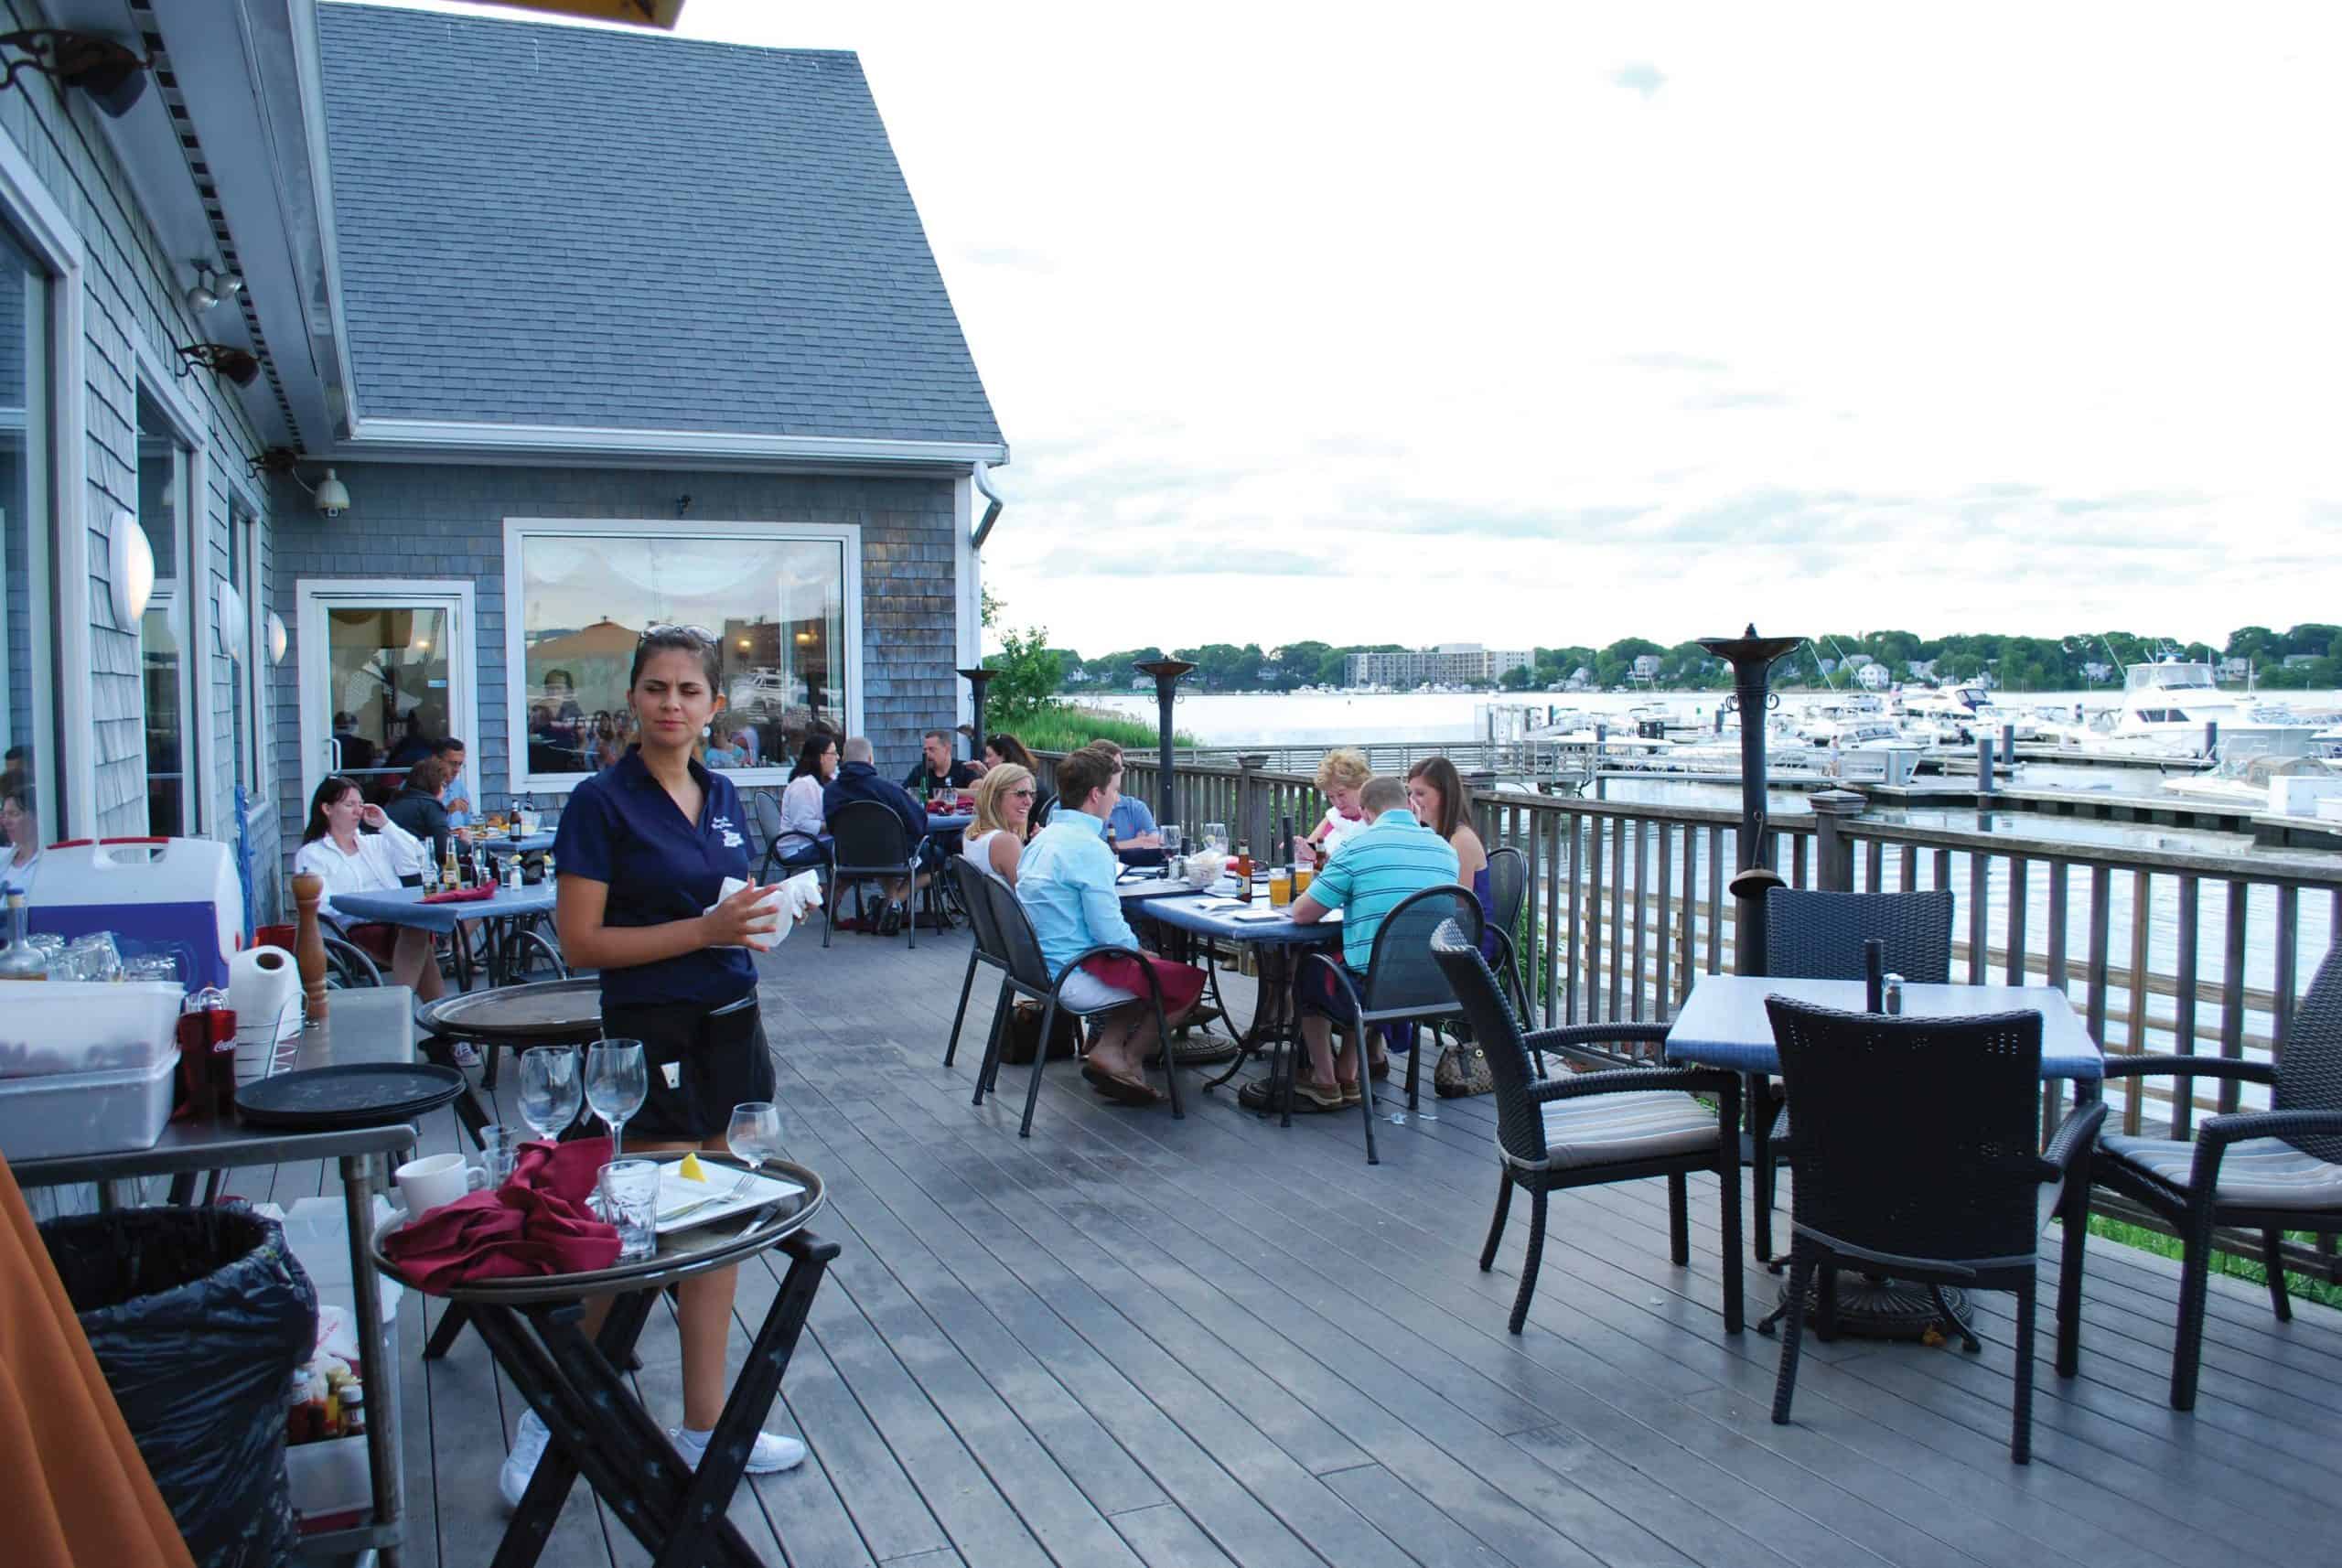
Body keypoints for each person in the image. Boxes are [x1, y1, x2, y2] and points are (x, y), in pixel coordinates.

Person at [527, 626, 801, 1507]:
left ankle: (706, 1422)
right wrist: (705, 931)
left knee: (715, 1219)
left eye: (690, 690)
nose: (673, 704)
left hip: (730, 1025)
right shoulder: (599, 804)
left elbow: (724, 907)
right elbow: (579, 943)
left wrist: (761, 917)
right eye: (656, 688)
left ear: (716, 706)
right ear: (634, 699)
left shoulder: (724, 794)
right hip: (647, 1037)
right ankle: (554, 1412)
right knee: (634, 1224)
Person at [1016, 746, 1204, 1103]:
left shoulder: (1041, 840)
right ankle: (1127, 1059)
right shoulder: (1088, 847)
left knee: (1147, 966)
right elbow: (1107, 930)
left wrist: (1134, 950)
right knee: (1187, 983)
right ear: (1096, 795)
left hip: (1036, 965)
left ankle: (1111, 1047)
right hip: (1071, 972)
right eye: (1114, 790)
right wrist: (1136, 949)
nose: (1117, 798)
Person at [1287, 775, 1459, 1108]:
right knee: (1364, 961)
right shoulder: (1445, 848)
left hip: (1373, 990)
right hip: (1436, 985)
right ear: (1410, 805)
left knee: (1312, 969)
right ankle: (1348, 1072)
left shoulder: (1356, 848)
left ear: (1365, 814)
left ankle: (1325, 1081)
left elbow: (1302, 914)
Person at [293, 775, 448, 1004]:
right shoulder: (313, 854)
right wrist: (371, 909)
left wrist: (386, 825)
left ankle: (410, 1014)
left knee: (418, 928)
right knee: (418, 930)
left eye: (360, 804)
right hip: (355, 928)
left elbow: (417, 855)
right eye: (349, 805)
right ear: (327, 808)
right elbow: (322, 904)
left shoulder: (376, 843)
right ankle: (405, 1009)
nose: (358, 811)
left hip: (397, 920)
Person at [823, 736, 930, 932]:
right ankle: (893, 903)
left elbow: (832, 828)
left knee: (880, 851)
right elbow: (919, 824)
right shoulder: (889, 790)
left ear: (843, 759)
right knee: (936, 857)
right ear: (871, 758)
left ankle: (889, 905)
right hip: (892, 857)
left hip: (849, 859)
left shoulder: (830, 792)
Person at [1404, 757, 1490, 936]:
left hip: (1467, 939)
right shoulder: (1433, 835)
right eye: (1409, 794)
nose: (1411, 801)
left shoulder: (1461, 840)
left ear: (1445, 794)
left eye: (1420, 794)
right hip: (1443, 931)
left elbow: (1459, 904)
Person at [382, 756, 463, 872]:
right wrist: (464, 843)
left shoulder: (393, 802)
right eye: (443, 785)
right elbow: (444, 853)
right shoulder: (431, 806)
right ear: (435, 785)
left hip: (392, 868)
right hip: (421, 872)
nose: (444, 790)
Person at [1296, 746, 1373, 867]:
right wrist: (1299, 847)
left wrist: (1322, 859)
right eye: (1331, 797)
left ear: (1361, 785)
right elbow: (1310, 851)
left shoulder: (1376, 817)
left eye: (1341, 794)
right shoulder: (1334, 816)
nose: (1337, 802)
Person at [963, 763, 1035, 885]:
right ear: (995, 797)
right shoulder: (1006, 842)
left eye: (1031, 794)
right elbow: (1030, 897)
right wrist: (1041, 849)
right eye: (1020, 793)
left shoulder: (971, 833)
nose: (1029, 802)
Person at [775, 732, 837, 869]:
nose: (837, 758)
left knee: (855, 844)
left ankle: (835, 889)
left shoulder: (827, 780)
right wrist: (835, 824)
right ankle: (835, 890)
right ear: (821, 757)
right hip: (796, 848)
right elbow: (803, 824)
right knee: (852, 846)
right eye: (833, 753)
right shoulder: (803, 785)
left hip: (814, 842)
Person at [1086, 741, 1160, 847]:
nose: (1114, 772)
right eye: (1109, 768)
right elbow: (1085, 850)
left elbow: (1155, 842)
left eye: (1117, 768)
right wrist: (1136, 842)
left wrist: (1112, 846)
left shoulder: (1135, 808)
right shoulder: (1072, 807)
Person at [903, 728, 980, 795]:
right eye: (925, 750)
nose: (927, 754)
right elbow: (903, 794)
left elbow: (979, 792)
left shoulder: (964, 768)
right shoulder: (919, 771)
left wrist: (951, 793)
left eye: (931, 749)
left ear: (947, 749)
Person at [0, 784, 39, 897]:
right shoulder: (3, 857)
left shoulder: (47, 861)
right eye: (4, 815)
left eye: (13, 814)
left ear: (35, 817)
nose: (6, 822)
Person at [432, 737, 473, 830]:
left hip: (460, 841)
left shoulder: (458, 786)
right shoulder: (419, 784)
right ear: (435, 760)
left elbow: (469, 823)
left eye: (460, 764)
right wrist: (447, 811)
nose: (457, 770)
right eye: (452, 763)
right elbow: (417, 829)